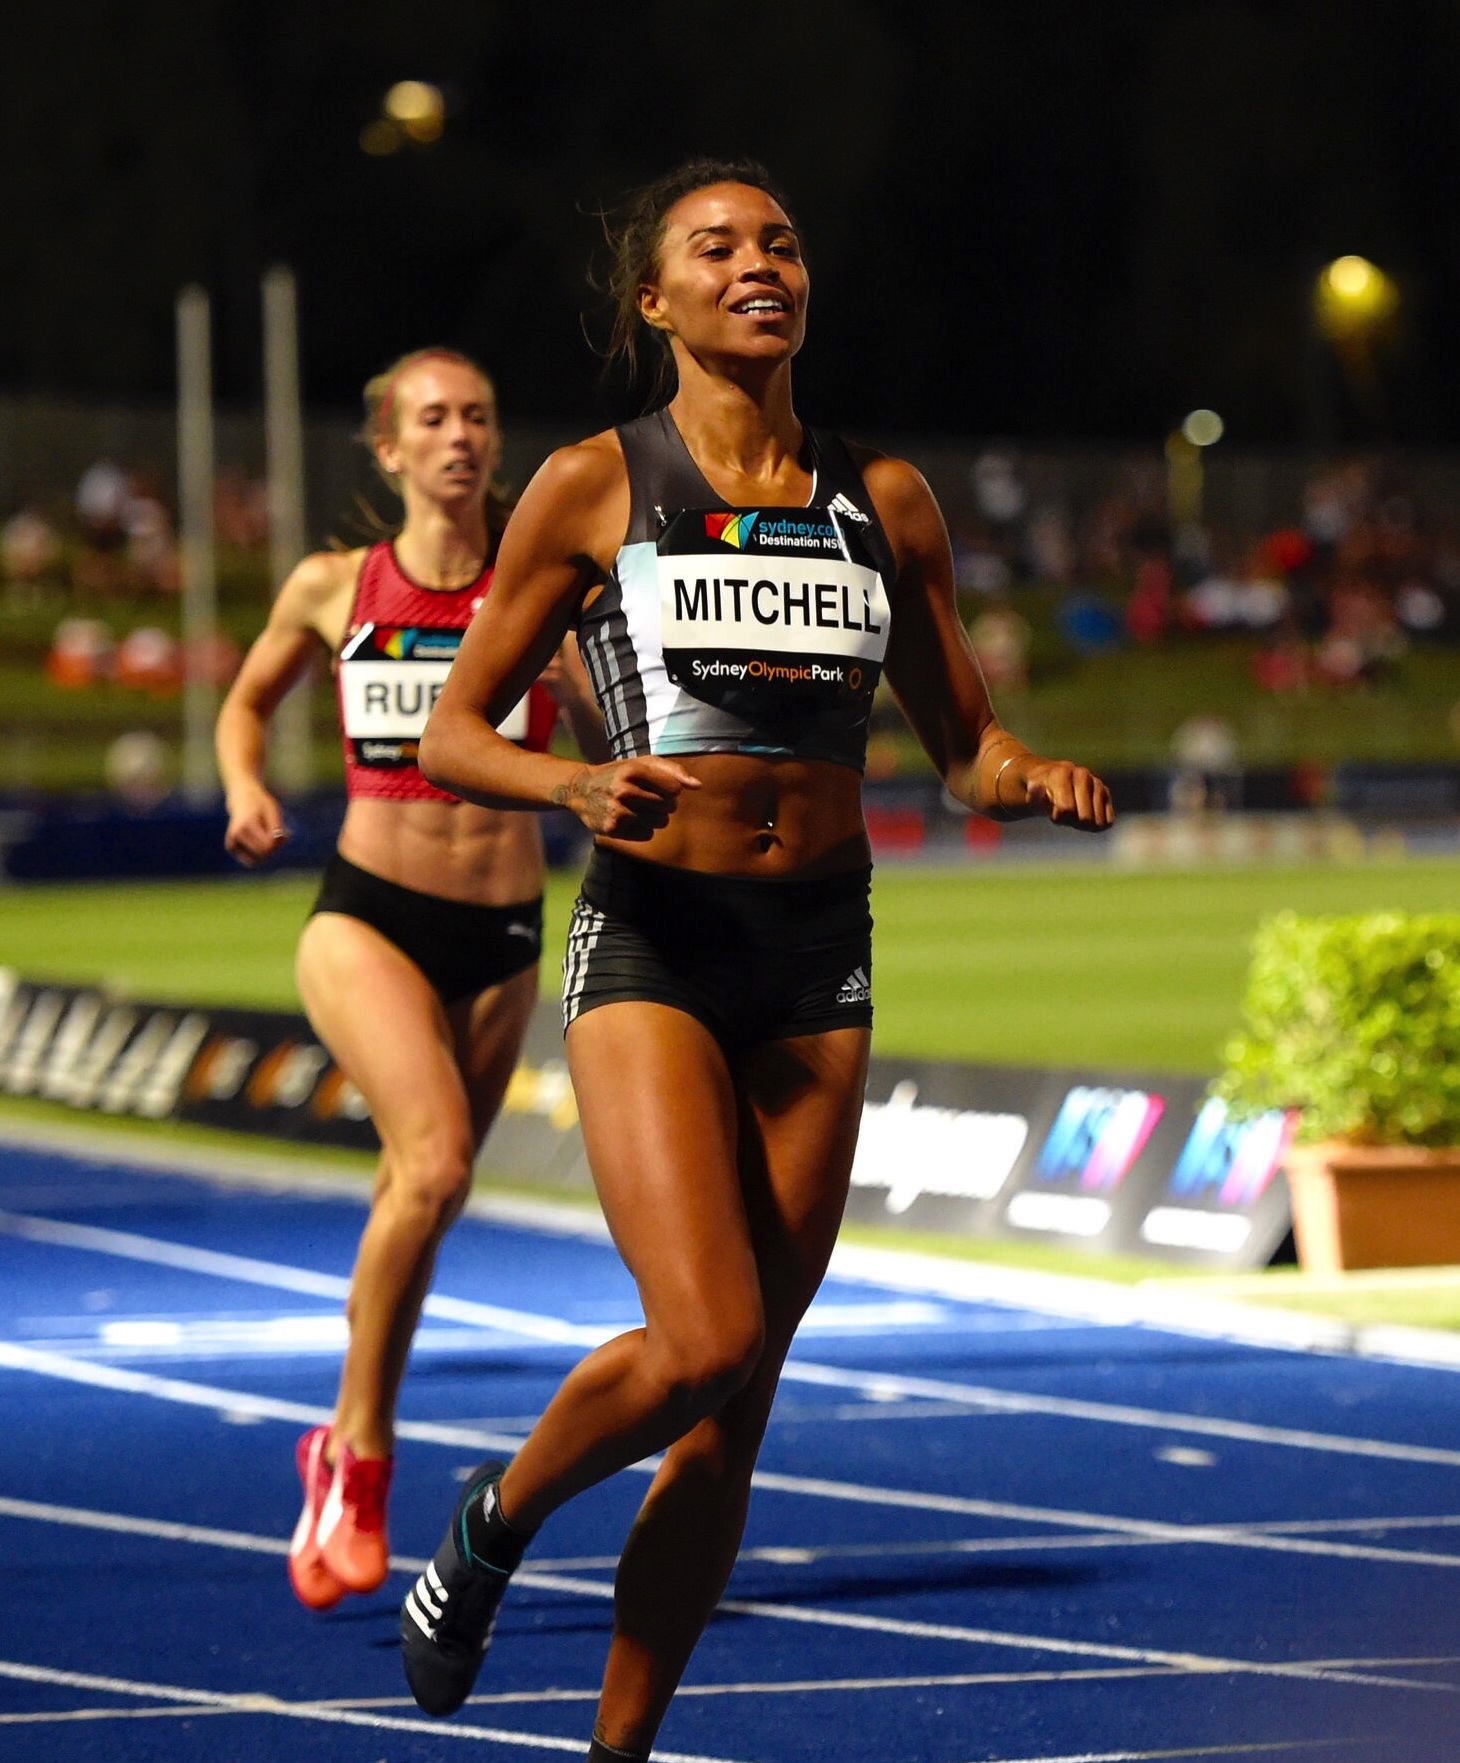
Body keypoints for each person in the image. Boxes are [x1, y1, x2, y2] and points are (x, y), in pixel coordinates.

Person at [399, 162, 1114, 1761]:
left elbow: (962, 743)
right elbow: (452, 727)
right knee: (705, 1327)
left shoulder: (889, 499)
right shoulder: (594, 486)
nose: (757, 265)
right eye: (714, 249)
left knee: (734, 1411)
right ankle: (496, 1516)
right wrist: (573, 780)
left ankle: (620, 1751)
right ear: (656, 301)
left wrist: (1030, 776)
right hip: (655, 937)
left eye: (779, 242)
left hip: (818, 956)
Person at [215, 347, 602, 1613]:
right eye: (431, 419)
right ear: (387, 450)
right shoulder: (337, 585)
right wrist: (248, 784)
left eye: (478, 416)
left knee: (421, 1194)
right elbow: (246, 700)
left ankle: (334, 1441)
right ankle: (366, 1460)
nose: (459, 437)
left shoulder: (543, 589)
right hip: (365, 916)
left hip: (497, 931)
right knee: (431, 1165)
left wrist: (575, 692)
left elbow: (610, 749)